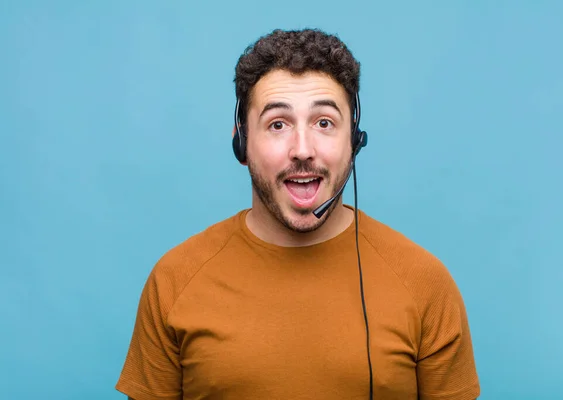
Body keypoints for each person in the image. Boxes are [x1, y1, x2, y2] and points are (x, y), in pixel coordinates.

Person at [115, 28, 480, 400]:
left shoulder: (425, 284)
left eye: (324, 123)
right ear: (241, 142)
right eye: (278, 124)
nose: (302, 149)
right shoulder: (174, 280)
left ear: (353, 141)